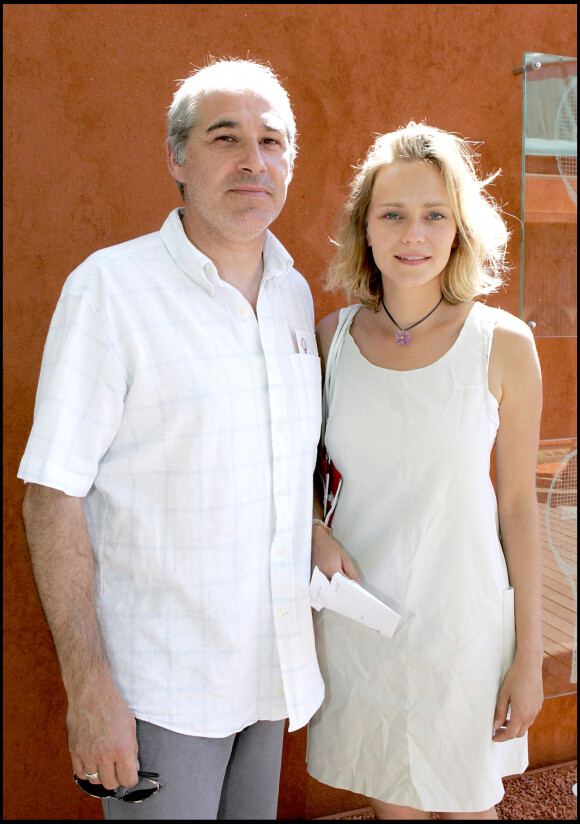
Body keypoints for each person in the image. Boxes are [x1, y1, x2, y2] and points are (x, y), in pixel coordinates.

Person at [18, 58, 325, 820]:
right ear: (177, 161)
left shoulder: (292, 295)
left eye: (272, 141)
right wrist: (90, 689)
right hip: (159, 690)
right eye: (227, 138)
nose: (254, 160)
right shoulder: (110, 290)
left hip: (268, 673)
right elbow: (51, 498)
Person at [306, 122, 544, 820]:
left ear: (459, 229)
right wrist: (313, 537)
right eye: (394, 214)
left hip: (464, 630)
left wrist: (530, 656)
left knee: (469, 805)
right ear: (366, 231)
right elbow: (299, 476)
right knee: (393, 809)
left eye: (434, 214)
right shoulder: (331, 341)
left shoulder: (502, 343)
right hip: (363, 626)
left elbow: (520, 509)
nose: (414, 234)